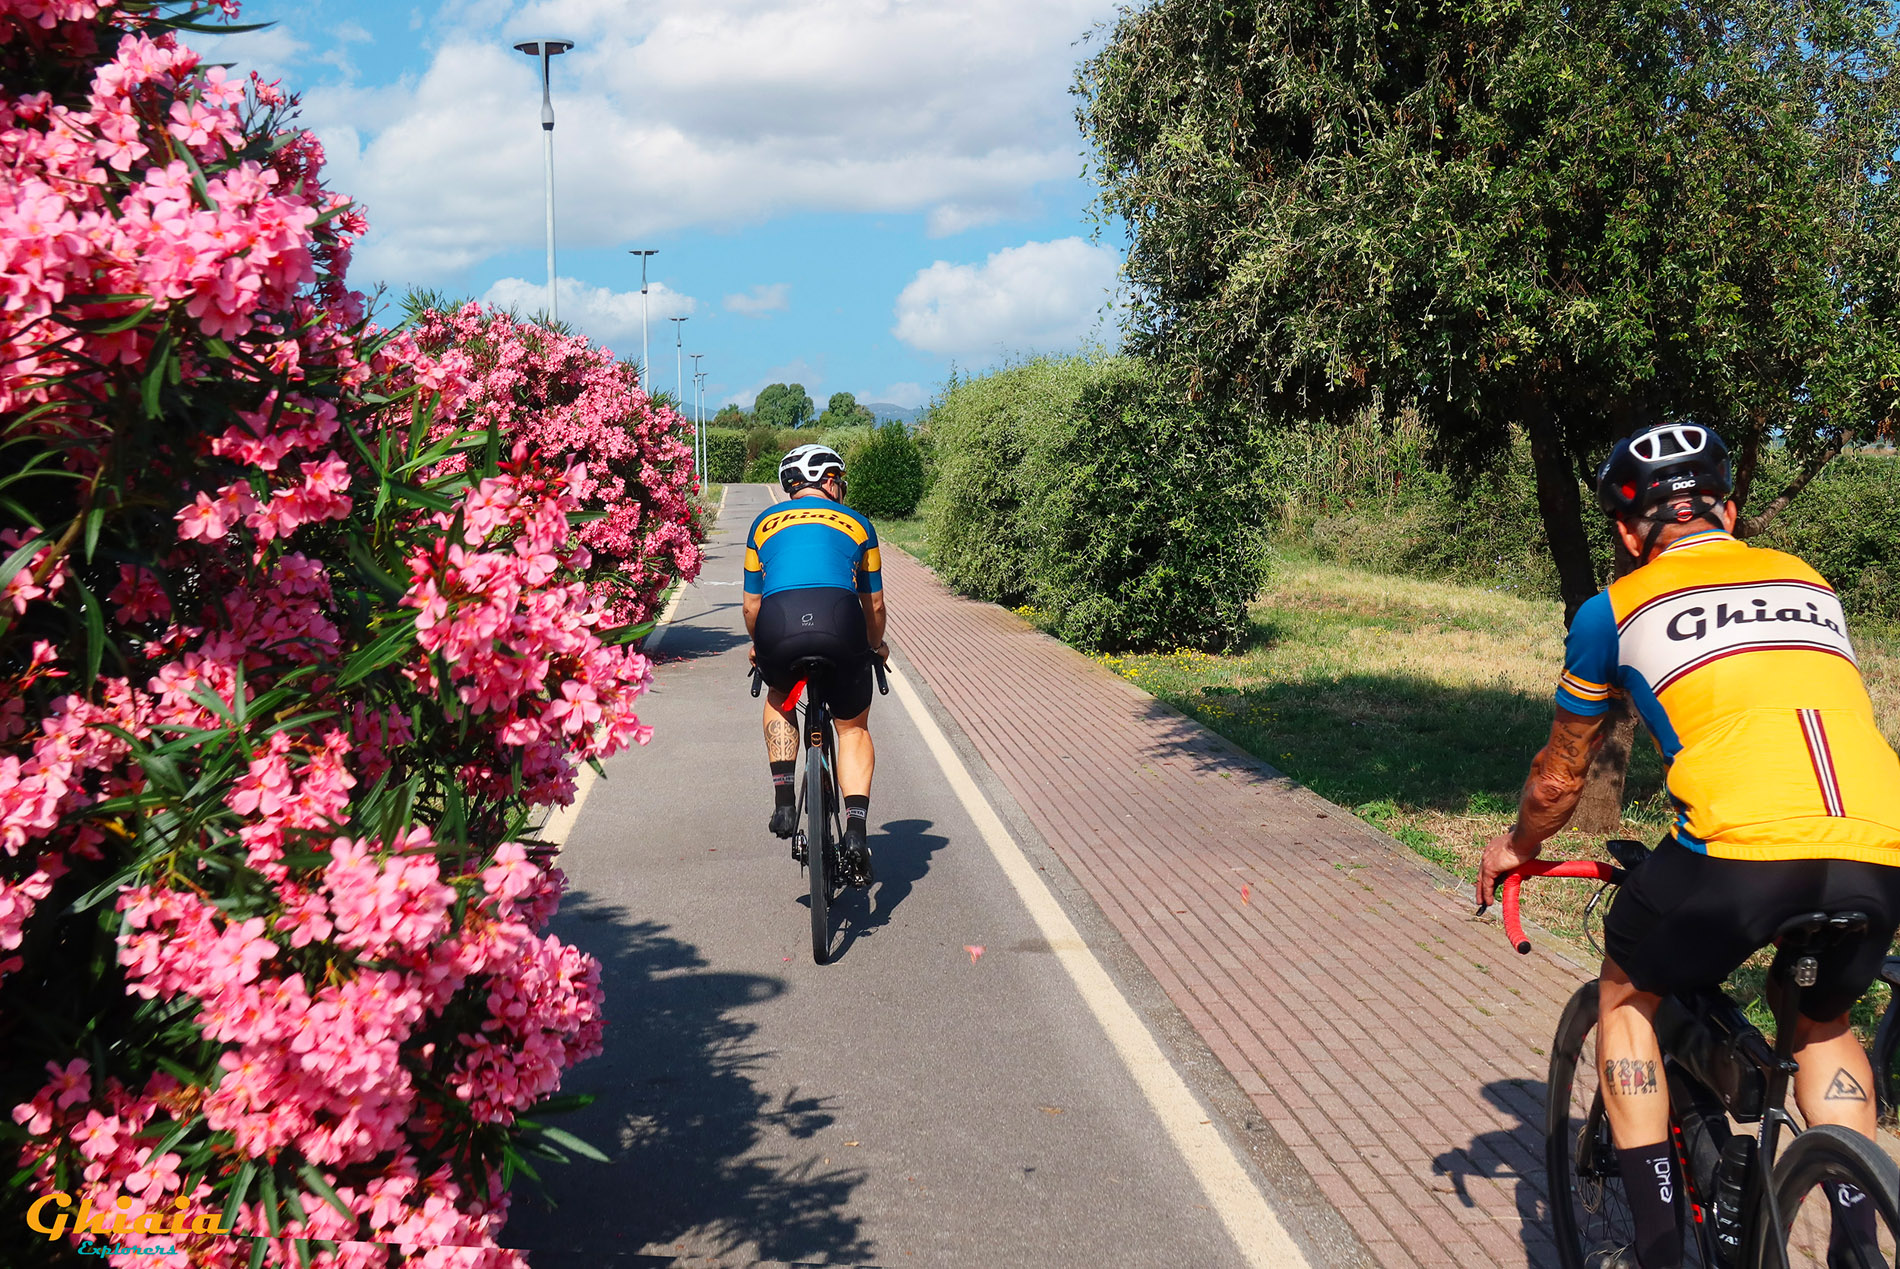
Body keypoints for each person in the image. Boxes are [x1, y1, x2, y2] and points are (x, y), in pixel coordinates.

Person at [1476, 423, 1900, 1269]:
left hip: (1737, 849)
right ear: (1730, 509)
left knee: (1626, 992)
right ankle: (1860, 1239)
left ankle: (1663, 1248)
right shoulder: (1808, 581)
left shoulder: (1614, 608)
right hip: (1881, 843)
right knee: (1821, 1023)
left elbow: (1561, 779)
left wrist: (1516, 846)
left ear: (1630, 534)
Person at [742, 444, 888, 887]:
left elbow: (751, 605)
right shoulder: (860, 525)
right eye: (838, 478)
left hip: (778, 626)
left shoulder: (762, 525)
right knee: (852, 728)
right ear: (827, 480)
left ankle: (785, 799)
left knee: (781, 697)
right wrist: (875, 648)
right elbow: (874, 603)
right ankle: (857, 832)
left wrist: (758, 647)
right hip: (841, 626)